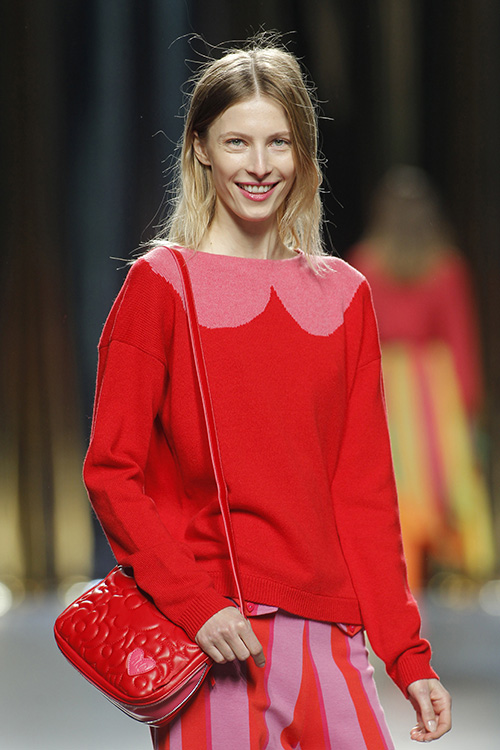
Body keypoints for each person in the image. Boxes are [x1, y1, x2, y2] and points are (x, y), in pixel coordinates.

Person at [83, 40, 451, 749]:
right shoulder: (160, 287)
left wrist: (407, 656)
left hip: (334, 640)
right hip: (219, 636)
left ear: (302, 154)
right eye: (237, 142)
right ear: (200, 150)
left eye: (278, 142)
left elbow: (365, 495)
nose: (259, 165)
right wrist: (195, 606)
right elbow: (112, 472)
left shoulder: (346, 295)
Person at [349, 166, 495, 593]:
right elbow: (460, 343)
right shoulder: (445, 266)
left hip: (389, 393)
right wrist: (469, 414)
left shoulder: (365, 263)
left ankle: (397, 587)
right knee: (440, 498)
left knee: (393, 495)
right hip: (433, 396)